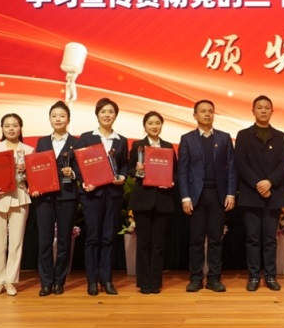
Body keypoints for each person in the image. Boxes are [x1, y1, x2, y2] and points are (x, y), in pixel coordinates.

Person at [178, 100, 237, 292]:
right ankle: (195, 278)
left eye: (210, 111)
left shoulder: (224, 138)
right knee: (196, 239)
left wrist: (231, 193)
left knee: (215, 239)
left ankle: (214, 278)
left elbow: (231, 168)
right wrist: (185, 197)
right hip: (196, 196)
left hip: (218, 195)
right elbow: (182, 170)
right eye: (202, 111)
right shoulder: (187, 139)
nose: (207, 114)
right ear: (195, 115)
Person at [235, 96, 284, 292]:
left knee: (269, 239)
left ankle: (271, 276)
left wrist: (269, 182)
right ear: (253, 111)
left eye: (267, 108)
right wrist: (258, 183)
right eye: (259, 107)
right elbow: (240, 163)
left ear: (272, 111)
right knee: (253, 238)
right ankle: (254, 276)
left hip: (273, 194)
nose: (263, 111)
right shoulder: (243, 135)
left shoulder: (280, 136)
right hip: (251, 194)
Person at [79, 97, 128, 296]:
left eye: (110, 112)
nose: (107, 115)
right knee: (92, 238)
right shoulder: (86, 138)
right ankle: (92, 281)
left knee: (108, 238)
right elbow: (78, 164)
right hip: (93, 195)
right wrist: (84, 181)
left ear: (115, 115)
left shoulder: (121, 140)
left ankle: (106, 279)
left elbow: (124, 164)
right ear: (97, 115)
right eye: (103, 112)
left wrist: (123, 176)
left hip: (113, 195)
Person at [0, 113, 34, 296]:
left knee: (16, 242)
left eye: (15, 125)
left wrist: (25, 171)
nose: (11, 129)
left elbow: (33, 177)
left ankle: (10, 281)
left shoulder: (29, 150)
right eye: (7, 126)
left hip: (19, 197)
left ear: (20, 128)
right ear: (2, 128)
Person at [31, 101, 81, 296]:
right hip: (44, 197)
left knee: (64, 241)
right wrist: (35, 187)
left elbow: (82, 168)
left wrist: (73, 173)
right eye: (54, 116)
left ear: (68, 119)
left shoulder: (77, 142)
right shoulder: (42, 142)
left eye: (62, 116)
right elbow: (36, 167)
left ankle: (60, 281)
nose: (58, 119)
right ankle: (46, 282)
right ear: (49, 119)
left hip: (67, 196)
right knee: (44, 240)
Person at [128, 111, 177, 294]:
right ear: (145, 126)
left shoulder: (168, 147)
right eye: (150, 123)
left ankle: (155, 282)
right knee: (143, 243)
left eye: (157, 123)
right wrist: (138, 170)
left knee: (158, 244)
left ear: (161, 125)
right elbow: (130, 170)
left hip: (162, 200)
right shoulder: (138, 146)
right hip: (143, 200)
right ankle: (144, 282)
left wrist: (171, 181)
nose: (154, 126)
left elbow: (175, 171)